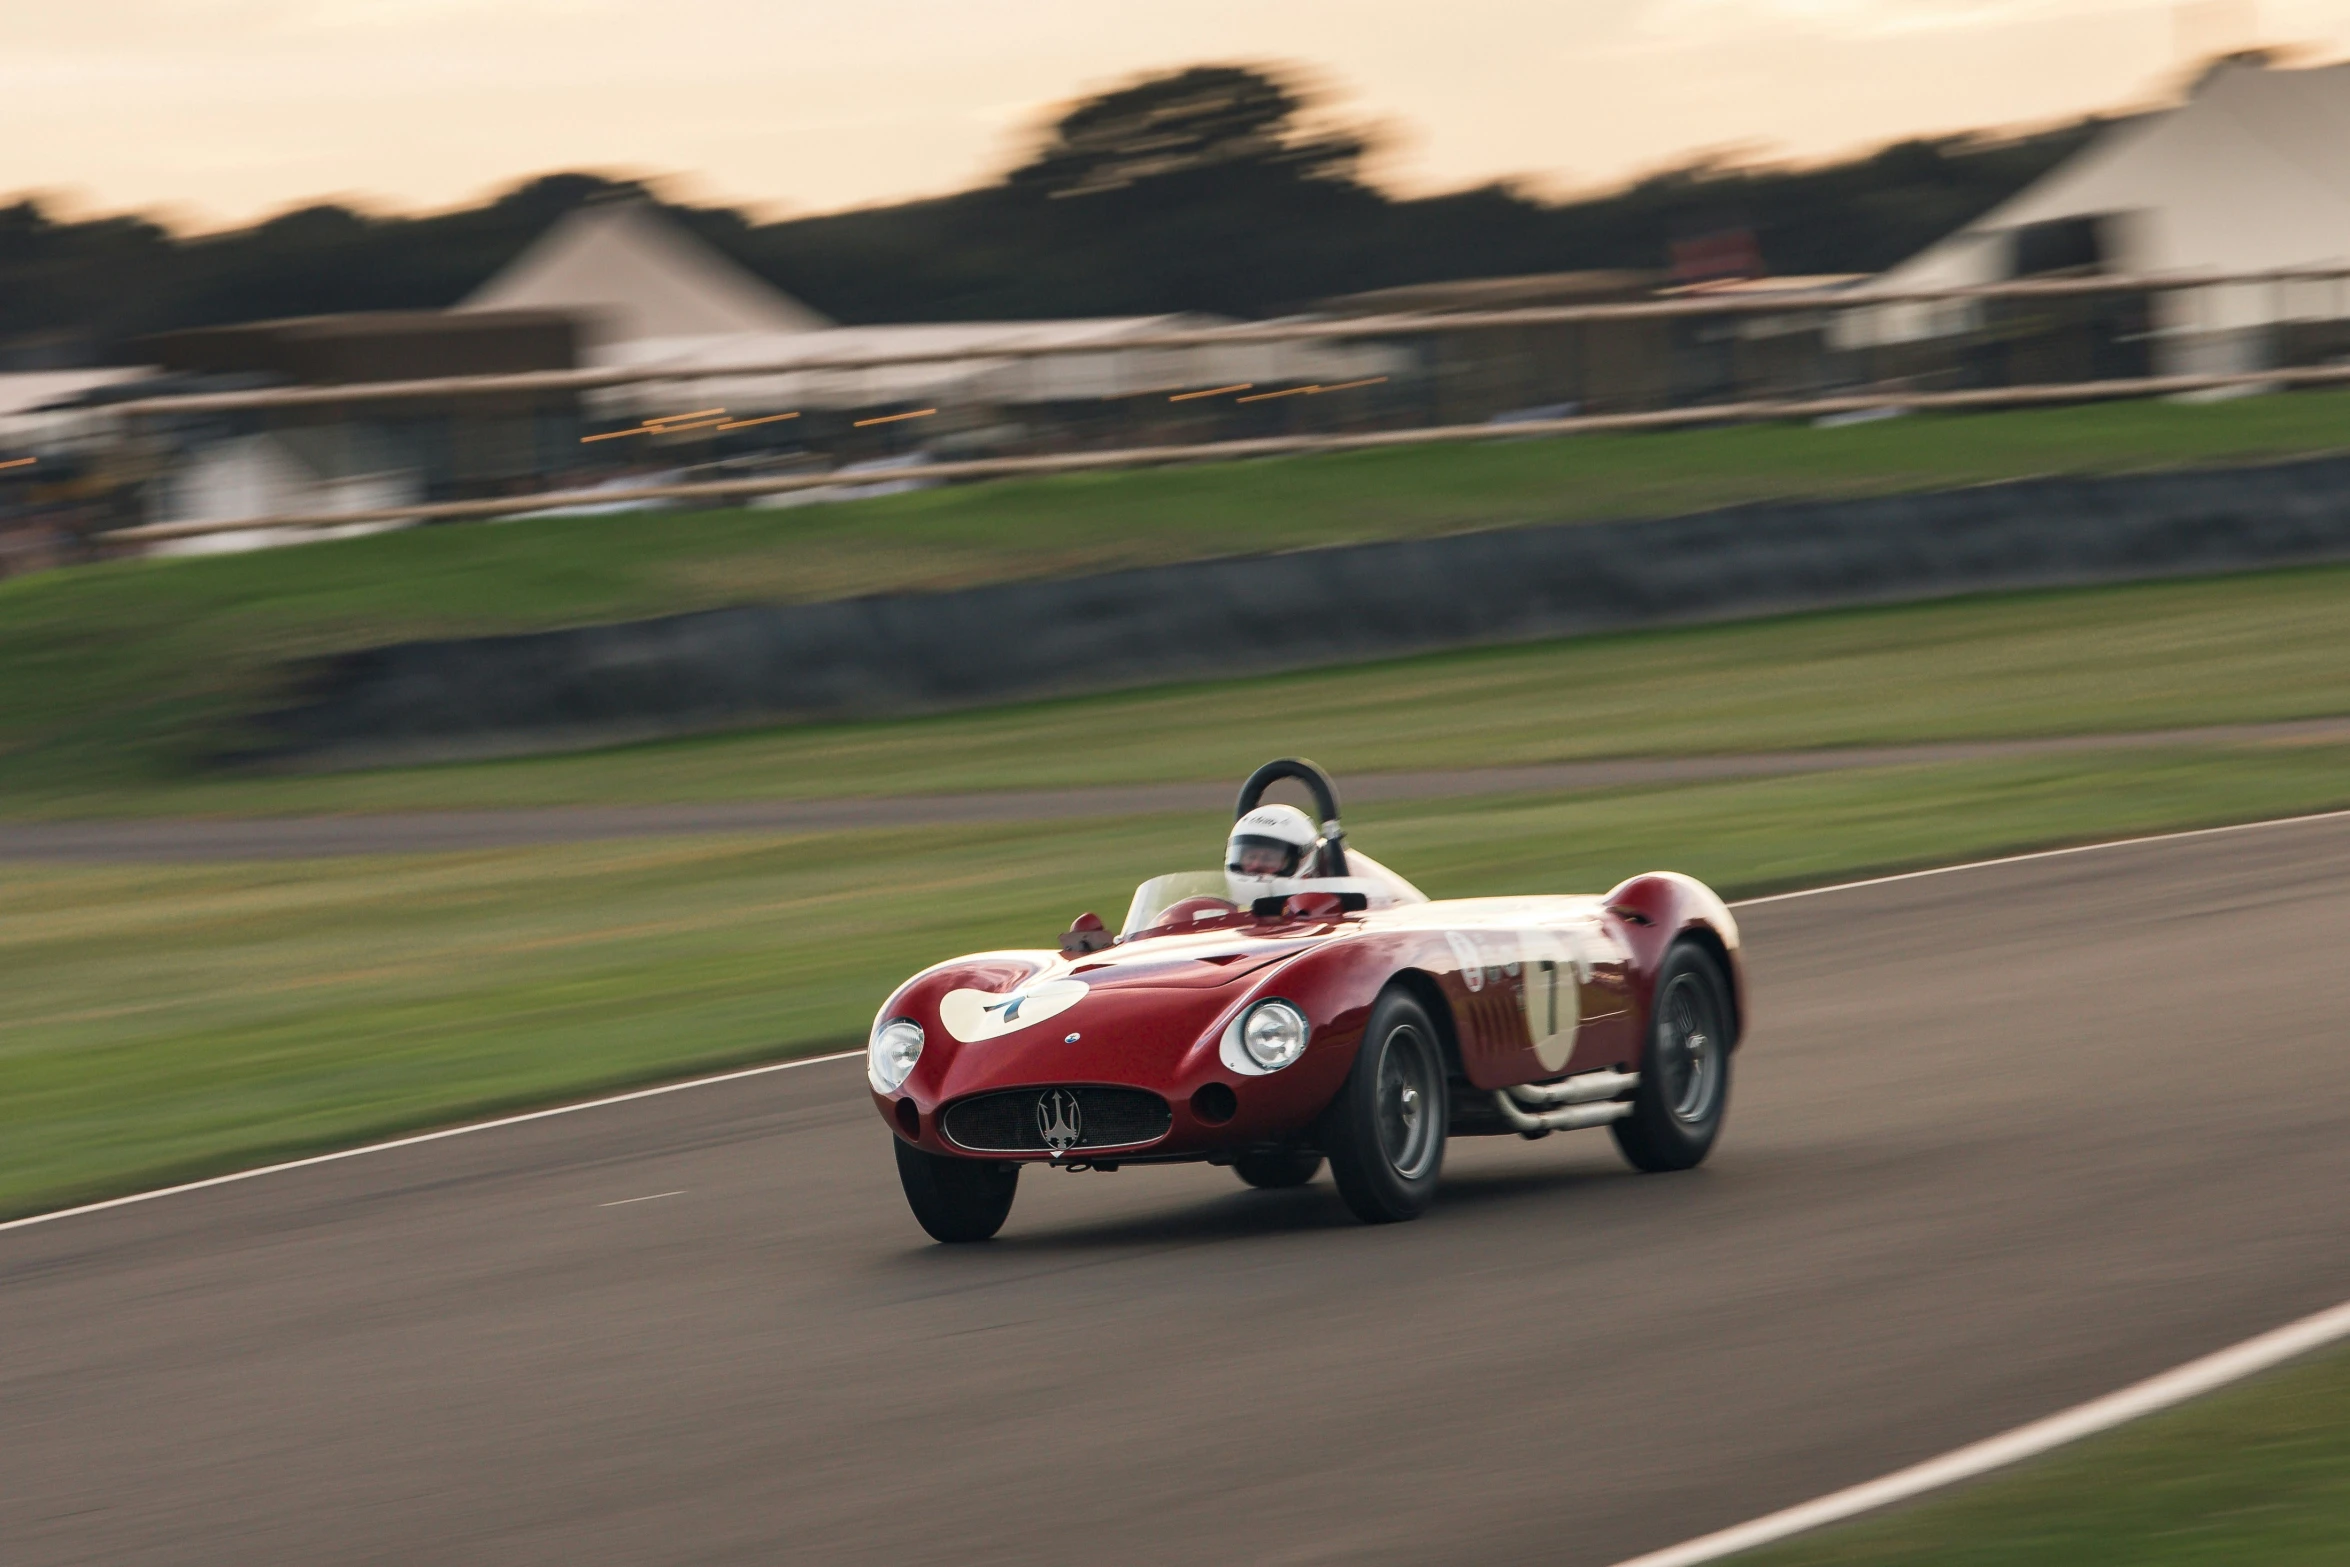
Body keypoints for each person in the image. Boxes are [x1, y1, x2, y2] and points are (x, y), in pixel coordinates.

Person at [1225, 803, 1324, 905]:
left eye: (1268, 859)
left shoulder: (1321, 913)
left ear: (1303, 862)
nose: (1256, 865)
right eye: (1251, 857)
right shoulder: (1220, 914)